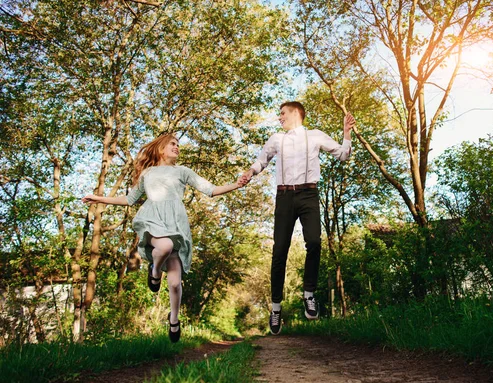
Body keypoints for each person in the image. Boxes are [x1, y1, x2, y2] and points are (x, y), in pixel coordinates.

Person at [82, 134, 242, 343]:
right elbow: (129, 199)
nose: (177, 147)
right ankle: (155, 271)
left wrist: (237, 184)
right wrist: (98, 198)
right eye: (173, 144)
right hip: (152, 221)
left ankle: (173, 319)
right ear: (160, 148)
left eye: (178, 145)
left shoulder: (183, 172)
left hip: (175, 225)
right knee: (164, 245)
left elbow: (211, 190)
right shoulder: (148, 173)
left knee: (175, 284)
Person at [238, 101, 355, 335]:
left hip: (309, 194)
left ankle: (309, 295)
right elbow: (262, 161)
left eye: (282, 113)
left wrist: (346, 134)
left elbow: (342, 155)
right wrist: (250, 172)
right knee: (279, 249)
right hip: (284, 196)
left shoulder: (315, 136)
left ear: (295, 113)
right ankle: (275, 308)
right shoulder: (276, 139)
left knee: (314, 242)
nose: (279, 117)